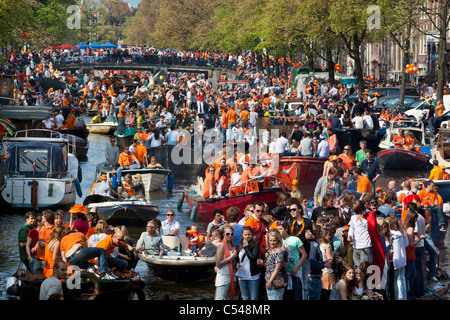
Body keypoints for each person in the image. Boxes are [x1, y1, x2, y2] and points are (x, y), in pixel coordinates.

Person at [277, 216, 307, 300]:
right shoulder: (277, 242)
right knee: (286, 296)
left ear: (286, 229)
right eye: (277, 229)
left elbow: (304, 255)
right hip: (284, 273)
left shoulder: (295, 239)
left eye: (280, 229)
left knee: (297, 296)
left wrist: (296, 267)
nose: (278, 231)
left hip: (295, 272)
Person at [235, 226, 261, 300]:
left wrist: (246, 247)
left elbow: (253, 258)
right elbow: (238, 259)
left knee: (254, 298)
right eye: (245, 234)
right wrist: (237, 264)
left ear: (252, 235)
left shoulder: (256, 245)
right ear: (242, 235)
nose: (247, 236)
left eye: (249, 234)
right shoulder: (240, 245)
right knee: (245, 297)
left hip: (252, 276)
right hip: (241, 275)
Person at [386, 215, 408, 300]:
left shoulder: (391, 235)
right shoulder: (401, 232)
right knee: (402, 278)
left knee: (396, 280)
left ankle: (399, 298)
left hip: (395, 259)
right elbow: (406, 244)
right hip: (403, 257)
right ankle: (404, 297)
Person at [215, 225, 238, 300]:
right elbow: (218, 264)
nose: (230, 236)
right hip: (223, 277)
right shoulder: (221, 246)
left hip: (232, 275)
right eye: (227, 234)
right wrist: (230, 258)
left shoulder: (232, 244)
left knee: (228, 298)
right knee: (220, 298)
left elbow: (233, 261)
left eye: (231, 234)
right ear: (223, 234)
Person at [348, 200, 373, 266]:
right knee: (357, 269)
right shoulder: (353, 217)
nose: (356, 214)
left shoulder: (369, 214)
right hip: (356, 246)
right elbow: (352, 227)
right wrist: (350, 234)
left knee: (365, 269)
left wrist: (363, 220)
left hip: (365, 246)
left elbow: (372, 229)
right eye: (355, 212)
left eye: (357, 212)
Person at [264, 229, 286, 300]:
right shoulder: (270, 251)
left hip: (275, 282)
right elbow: (269, 266)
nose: (272, 242)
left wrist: (270, 281)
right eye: (270, 240)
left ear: (278, 241)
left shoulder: (279, 251)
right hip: (269, 281)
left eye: (274, 240)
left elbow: (277, 268)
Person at [318, 223, 336, 300]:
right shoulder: (327, 245)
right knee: (328, 295)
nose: (330, 237)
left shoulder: (318, 244)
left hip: (320, 271)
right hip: (327, 273)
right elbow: (330, 260)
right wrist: (333, 254)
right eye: (328, 235)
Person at [34, 210, 55, 275]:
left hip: (47, 259)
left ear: (45, 218)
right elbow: (40, 239)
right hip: (38, 257)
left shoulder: (54, 230)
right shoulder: (42, 228)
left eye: (42, 216)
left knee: (46, 277)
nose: (41, 217)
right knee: (36, 274)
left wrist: (45, 245)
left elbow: (57, 245)